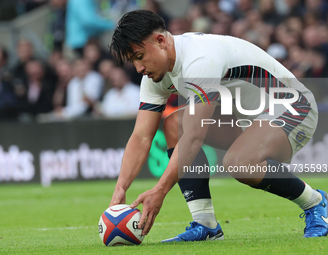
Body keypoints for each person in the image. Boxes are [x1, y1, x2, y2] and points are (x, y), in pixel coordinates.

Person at [109, 10, 327, 241]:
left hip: (295, 108)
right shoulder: (155, 76)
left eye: (140, 56)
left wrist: (160, 190)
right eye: (133, 61)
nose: (138, 68)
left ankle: (316, 203)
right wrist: (120, 190)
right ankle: (206, 225)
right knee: (174, 124)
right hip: (250, 118)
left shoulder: (199, 59)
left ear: (160, 41)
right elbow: (142, 136)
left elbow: (194, 137)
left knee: (239, 162)